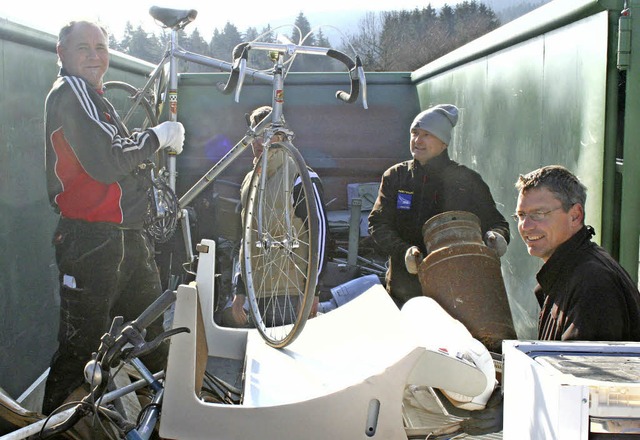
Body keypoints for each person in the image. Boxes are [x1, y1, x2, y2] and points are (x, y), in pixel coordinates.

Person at [42, 20, 185, 415]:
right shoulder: (71, 92)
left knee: (151, 337)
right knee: (80, 349)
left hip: (126, 236)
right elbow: (108, 161)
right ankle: (51, 428)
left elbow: (117, 151)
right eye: (83, 47)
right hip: (90, 241)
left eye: (101, 47)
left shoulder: (94, 97)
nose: (94, 55)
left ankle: (165, 419)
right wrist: (159, 135)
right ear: (61, 53)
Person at [368, 104, 510, 308]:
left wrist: (497, 237)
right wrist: (404, 252)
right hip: (405, 291)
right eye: (415, 133)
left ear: (444, 142)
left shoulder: (466, 180)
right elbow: (377, 223)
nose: (418, 140)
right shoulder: (396, 177)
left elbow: (496, 222)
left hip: (456, 293)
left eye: (427, 135)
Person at [221, 105, 329, 327]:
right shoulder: (250, 180)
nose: (258, 143)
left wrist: (313, 291)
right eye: (254, 135)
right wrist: (240, 290)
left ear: (281, 136)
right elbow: (246, 239)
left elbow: (321, 236)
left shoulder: (301, 176)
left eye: (266, 135)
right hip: (256, 293)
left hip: (292, 292)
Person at [514, 165, 640, 341]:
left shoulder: (592, 282)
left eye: (539, 214)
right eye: (520, 215)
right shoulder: (574, 271)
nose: (525, 226)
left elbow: (589, 367)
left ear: (575, 215)